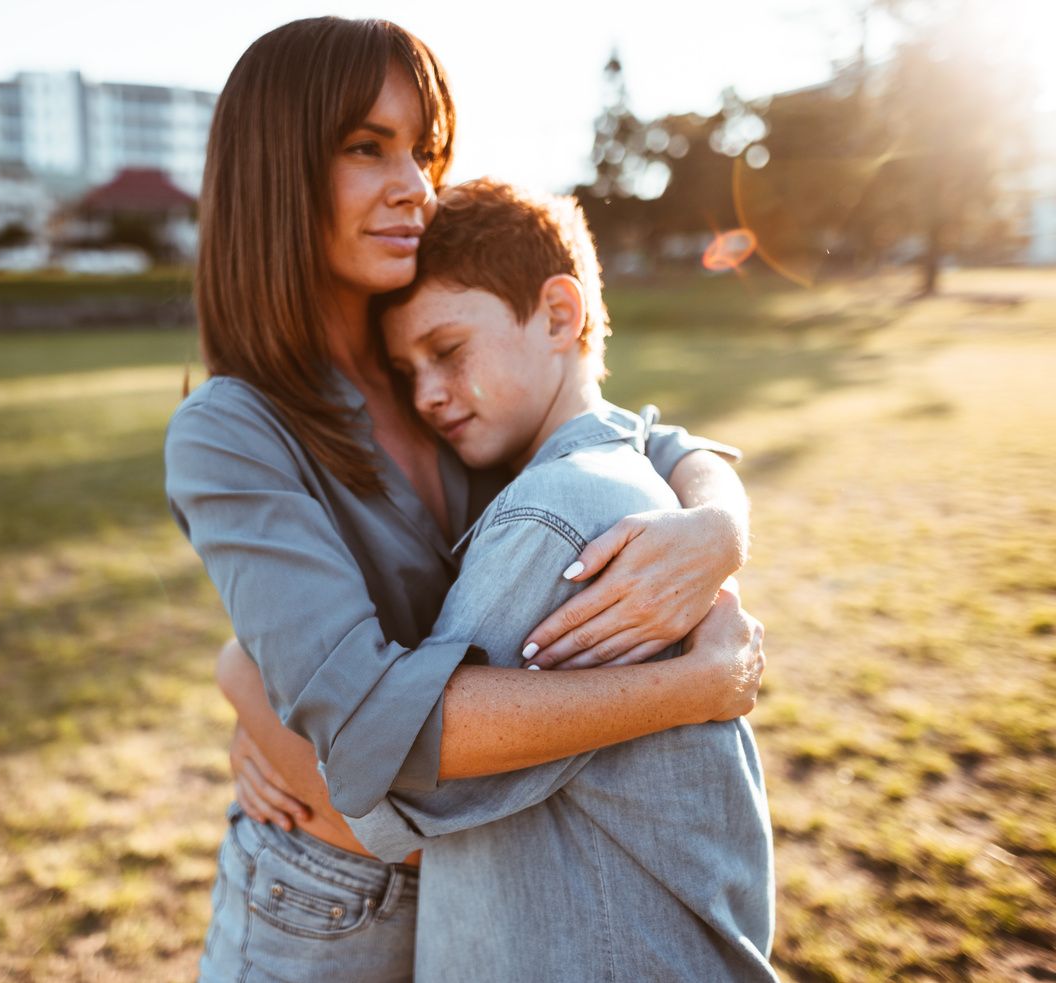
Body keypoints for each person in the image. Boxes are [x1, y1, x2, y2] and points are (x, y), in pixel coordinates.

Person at [164, 17, 763, 982]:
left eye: (424, 150)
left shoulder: (431, 372)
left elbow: (635, 434)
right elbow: (362, 722)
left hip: (487, 896)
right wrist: (693, 688)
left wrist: (717, 525)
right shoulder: (232, 429)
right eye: (369, 147)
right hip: (322, 906)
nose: (416, 186)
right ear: (276, 171)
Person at [334, 177, 774, 980]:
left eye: (447, 350)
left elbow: (403, 779)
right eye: (406, 371)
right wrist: (722, 513)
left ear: (559, 316)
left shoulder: (557, 516)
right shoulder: (626, 468)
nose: (426, 393)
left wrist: (244, 690)